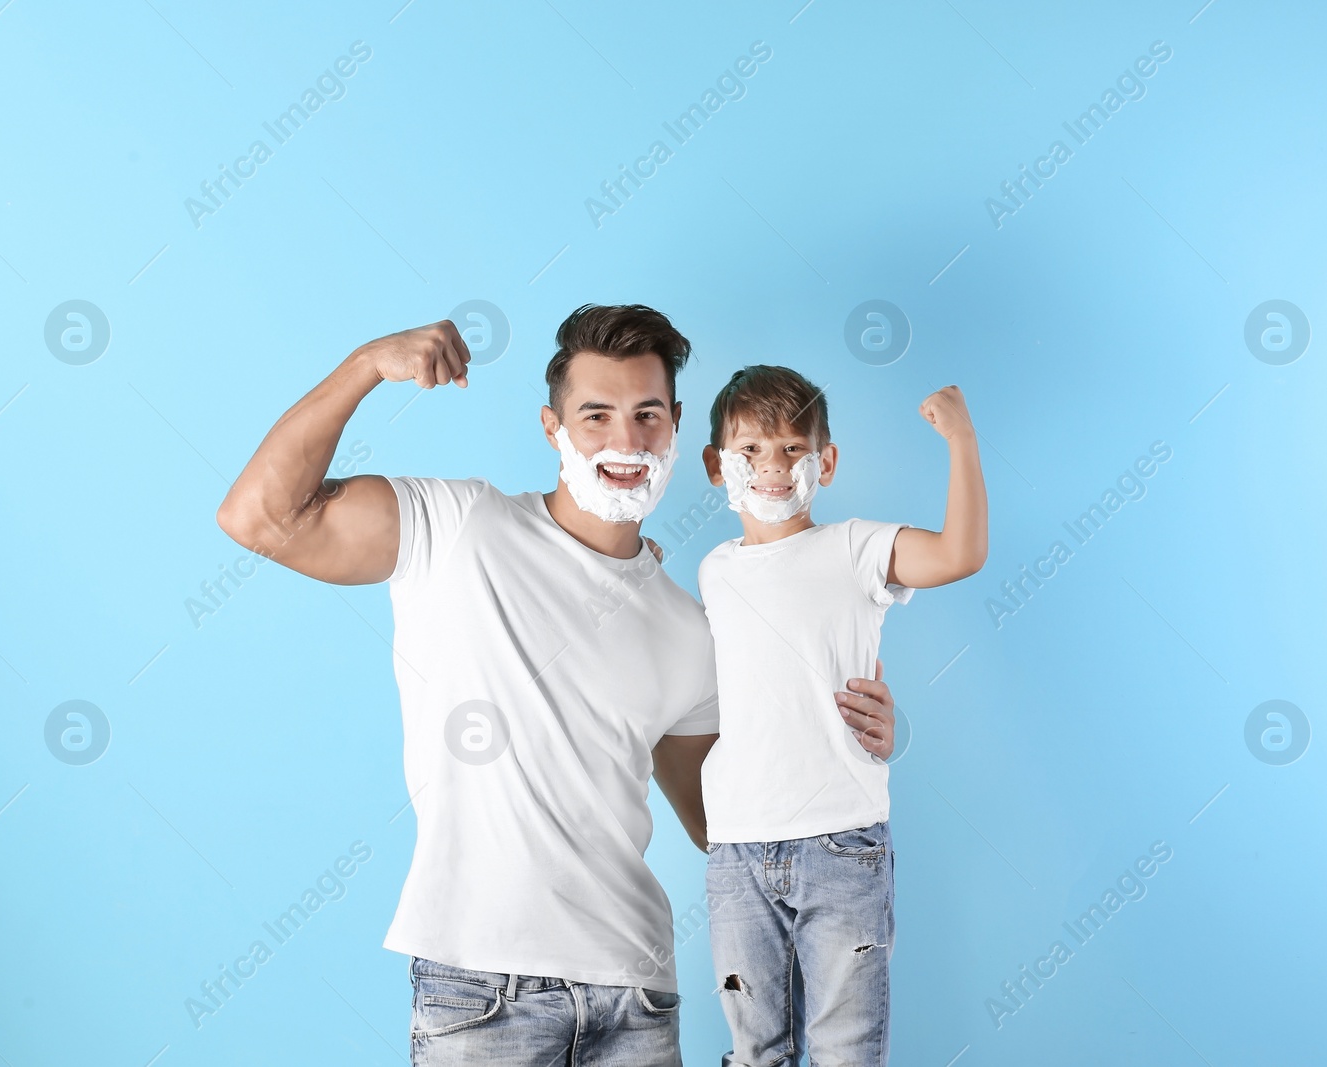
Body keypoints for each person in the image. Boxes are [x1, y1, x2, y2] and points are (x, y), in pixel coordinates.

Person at [215, 306, 900, 1066]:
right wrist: (366, 364)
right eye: (596, 414)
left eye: (646, 415)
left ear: (675, 427)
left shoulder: (689, 627)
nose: (626, 440)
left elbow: (728, 822)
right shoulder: (457, 526)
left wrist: (847, 741)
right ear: (553, 427)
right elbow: (260, 516)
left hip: (637, 1003)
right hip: (482, 997)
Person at [696, 365, 988, 1065]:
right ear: (717, 466)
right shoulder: (712, 569)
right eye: (752, 451)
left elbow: (960, 553)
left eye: (793, 448)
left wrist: (962, 439)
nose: (772, 466)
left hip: (841, 843)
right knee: (753, 1052)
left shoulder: (856, 547)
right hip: (737, 848)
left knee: (847, 1051)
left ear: (825, 460)